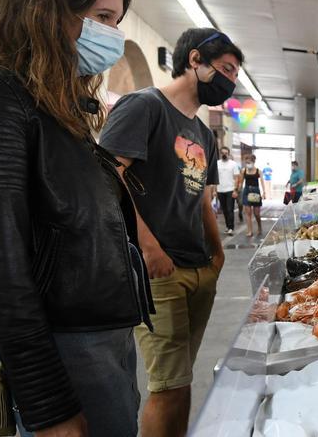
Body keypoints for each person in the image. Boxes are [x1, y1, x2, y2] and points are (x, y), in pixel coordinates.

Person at [0, 0, 152, 436]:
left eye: (116, 21)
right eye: (101, 16)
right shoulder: (2, 102)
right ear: (46, 6)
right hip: (65, 347)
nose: (112, 36)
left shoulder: (58, 106)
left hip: (101, 335)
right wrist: (48, 404)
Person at [99, 27, 243, 437]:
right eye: (226, 69)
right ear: (194, 60)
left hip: (198, 269)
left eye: (235, 76)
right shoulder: (144, 107)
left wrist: (217, 255)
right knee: (166, 386)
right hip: (159, 272)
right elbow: (109, 176)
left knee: (180, 384)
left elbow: (200, 200)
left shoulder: (201, 132)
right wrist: (147, 248)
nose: (230, 81)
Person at [241, 154, 267, 236]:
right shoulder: (243, 170)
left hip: (255, 191)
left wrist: (264, 192)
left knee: (256, 213)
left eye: (249, 162)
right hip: (246, 191)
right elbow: (241, 182)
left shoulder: (258, 171)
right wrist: (238, 191)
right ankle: (250, 231)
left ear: (253, 162)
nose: (248, 164)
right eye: (246, 162)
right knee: (248, 213)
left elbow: (262, 182)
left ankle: (259, 226)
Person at [216, 146, 240, 235]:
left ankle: (231, 227)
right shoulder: (217, 164)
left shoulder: (233, 164)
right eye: (223, 153)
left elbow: (237, 178)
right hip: (220, 190)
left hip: (230, 190)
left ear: (228, 154)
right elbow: (215, 178)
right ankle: (227, 226)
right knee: (225, 210)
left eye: (226, 153)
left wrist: (235, 190)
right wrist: (214, 190)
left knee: (230, 209)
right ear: (220, 154)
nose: (224, 155)